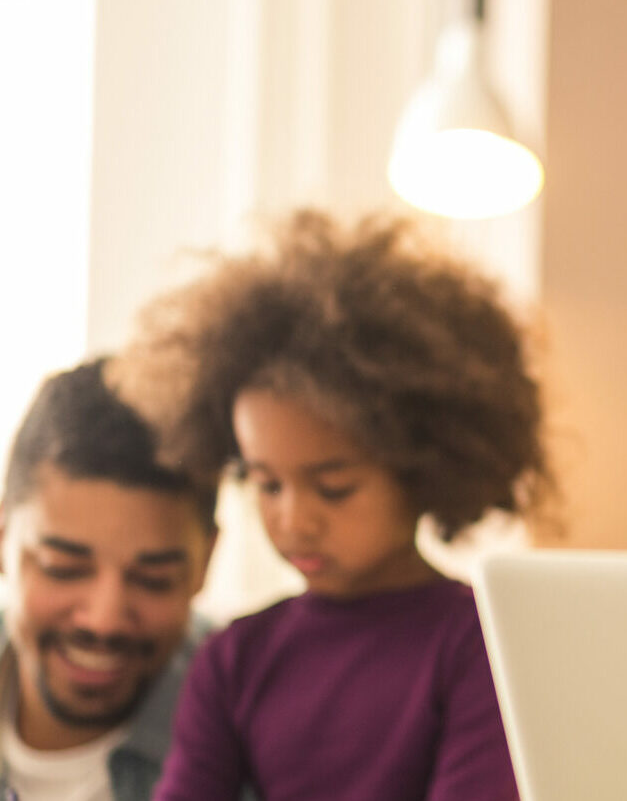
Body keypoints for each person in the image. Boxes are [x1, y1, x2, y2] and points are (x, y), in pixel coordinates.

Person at [111, 210, 549, 800]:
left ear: (421, 469)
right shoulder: (233, 661)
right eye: (267, 484)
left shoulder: (481, 646)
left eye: (333, 487)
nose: (293, 521)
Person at [0, 359, 217, 801]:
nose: (104, 620)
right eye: (63, 568)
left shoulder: (265, 738)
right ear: (2, 539)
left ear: (206, 562)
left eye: (154, 579)